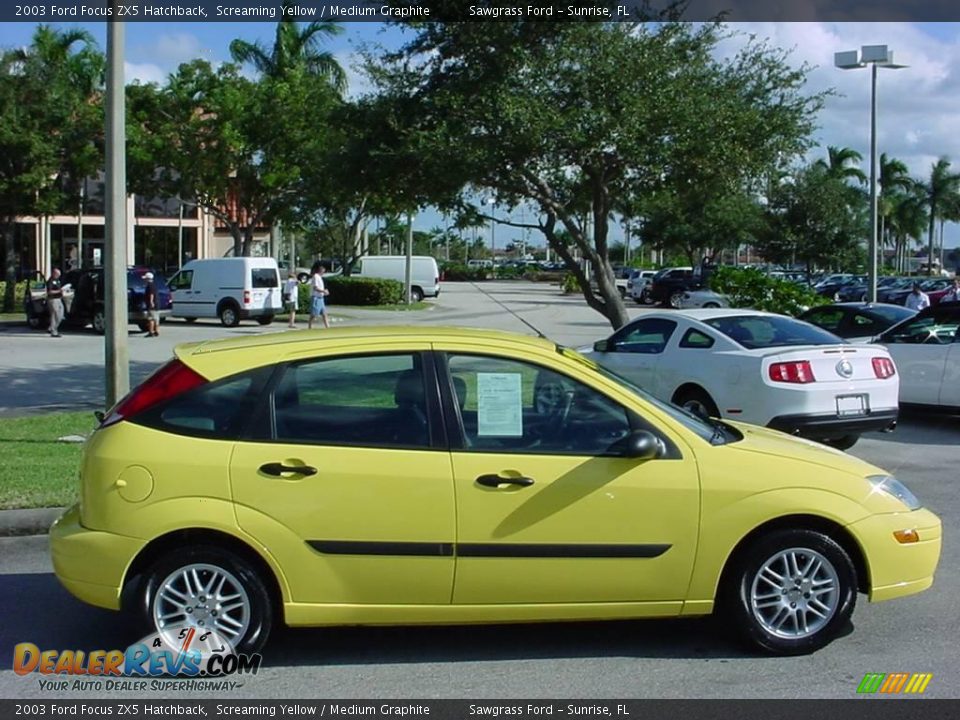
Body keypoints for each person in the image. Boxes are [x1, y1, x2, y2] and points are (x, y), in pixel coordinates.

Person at [308, 262, 330, 330]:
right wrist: (323, 291)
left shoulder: (320, 277)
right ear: (319, 269)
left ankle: (327, 327)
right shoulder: (315, 277)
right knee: (314, 314)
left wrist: (324, 291)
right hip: (316, 298)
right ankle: (310, 326)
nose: (324, 270)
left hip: (321, 298)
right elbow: (315, 288)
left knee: (324, 313)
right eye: (323, 269)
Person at [46, 268, 64, 337]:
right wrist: (59, 291)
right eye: (57, 274)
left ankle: (51, 328)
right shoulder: (50, 281)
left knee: (61, 315)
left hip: (59, 299)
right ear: (53, 273)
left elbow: (60, 288)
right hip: (53, 299)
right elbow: (49, 292)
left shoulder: (58, 281)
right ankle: (54, 331)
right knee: (56, 315)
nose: (58, 275)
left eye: (59, 274)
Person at [143, 271, 159, 337]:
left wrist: (151, 302)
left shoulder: (149, 286)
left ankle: (151, 332)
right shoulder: (154, 285)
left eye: (145, 278)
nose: (144, 280)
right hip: (156, 304)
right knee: (156, 318)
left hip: (152, 305)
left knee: (151, 318)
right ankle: (156, 331)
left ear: (148, 279)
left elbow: (151, 294)